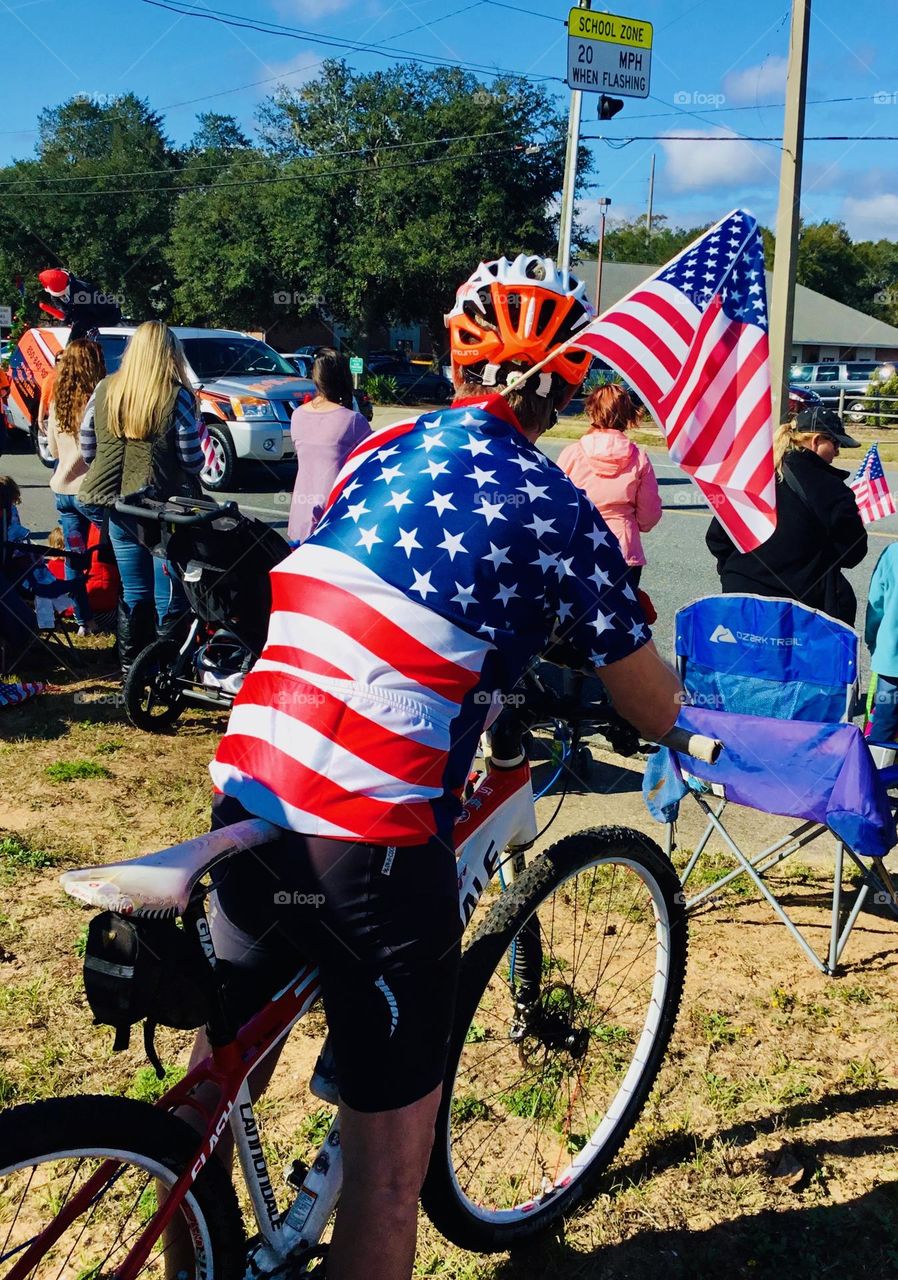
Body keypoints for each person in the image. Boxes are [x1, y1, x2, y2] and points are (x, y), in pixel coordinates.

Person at [192, 254, 684, 1280]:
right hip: (361, 840)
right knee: (387, 1182)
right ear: (559, 378)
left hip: (249, 781)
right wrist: (704, 726)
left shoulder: (385, 443)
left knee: (218, 1080)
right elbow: (644, 698)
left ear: (454, 359)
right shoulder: (554, 505)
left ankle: (189, 1237)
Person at [78, 321, 205, 676]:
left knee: (134, 592)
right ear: (169, 354)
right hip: (167, 510)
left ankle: (133, 673)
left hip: (119, 506)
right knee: (169, 594)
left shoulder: (105, 388)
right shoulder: (177, 395)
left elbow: (88, 446)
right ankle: (170, 673)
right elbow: (192, 459)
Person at [706, 406, 867, 625]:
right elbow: (853, 553)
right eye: (836, 444)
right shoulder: (832, 490)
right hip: (801, 610)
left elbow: (718, 536)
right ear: (816, 440)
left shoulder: (751, 476)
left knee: (744, 658)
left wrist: (734, 574)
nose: (838, 452)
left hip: (741, 599)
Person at [557, 381, 661, 591]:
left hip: (579, 548)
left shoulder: (572, 453)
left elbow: (556, 505)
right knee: (621, 618)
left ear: (591, 411)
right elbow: (649, 517)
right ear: (628, 414)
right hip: (624, 550)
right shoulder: (639, 458)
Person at [46, 338, 106, 636]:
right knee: (117, 551)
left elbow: (53, 452)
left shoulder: (59, 400)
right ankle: (124, 615)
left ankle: (84, 620)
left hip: (63, 492)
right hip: (91, 491)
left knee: (74, 556)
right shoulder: (98, 399)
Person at [287, 347, 371, 543]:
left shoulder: (298, 415)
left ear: (316, 378)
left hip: (301, 513)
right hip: (336, 517)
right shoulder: (353, 422)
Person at [865, 543, 898, 742]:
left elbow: (876, 604)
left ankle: (877, 769)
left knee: (884, 723)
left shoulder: (893, 552)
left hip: (891, 660)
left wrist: (873, 642)